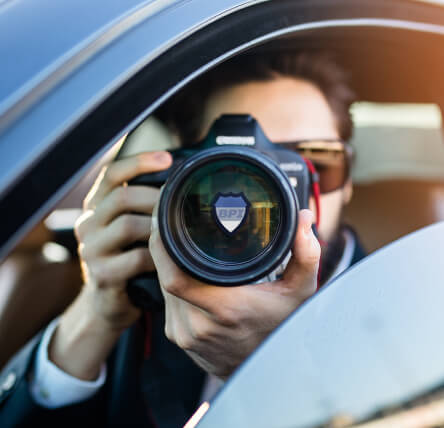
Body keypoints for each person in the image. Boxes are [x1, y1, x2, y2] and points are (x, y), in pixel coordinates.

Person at [0, 51, 365, 427]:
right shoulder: (148, 301)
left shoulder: (402, 303)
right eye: (238, 167)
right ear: (184, 176)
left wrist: (267, 373)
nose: (271, 194)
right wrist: (97, 311)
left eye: (312, 164)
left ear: (349, 181)